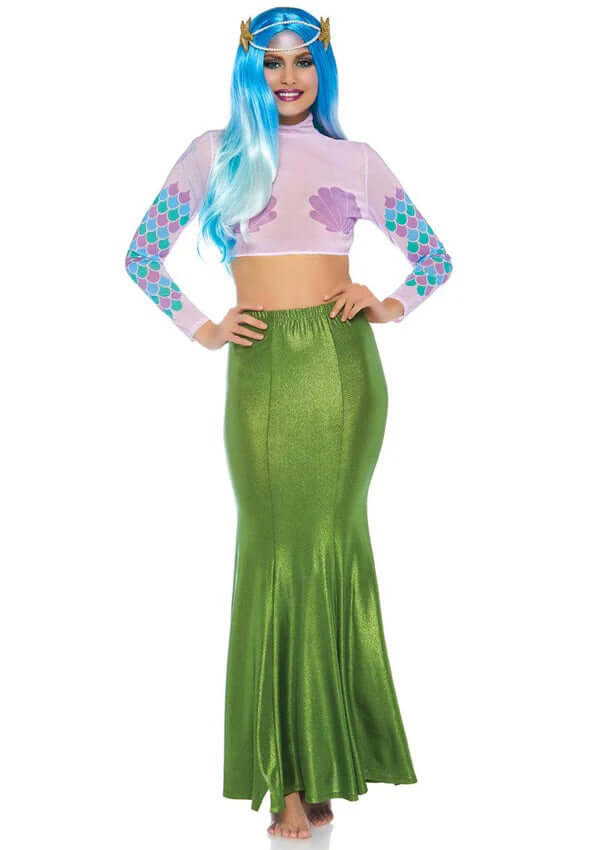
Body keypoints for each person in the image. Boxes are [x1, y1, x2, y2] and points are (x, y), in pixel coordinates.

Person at [124, 8, 453, 841]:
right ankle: (288, 776)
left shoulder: (356, 158)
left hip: (341, 371)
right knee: (273, 550)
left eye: (303, 62)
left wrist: (386, 303)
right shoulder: (215, 153)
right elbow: (141, 256)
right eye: (272, 63)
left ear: (323, 70)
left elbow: (434, 258)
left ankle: (323, 769)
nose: (289, 77)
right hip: (262, 365)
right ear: (250, 72)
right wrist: (202, 326)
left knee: (331, 546)